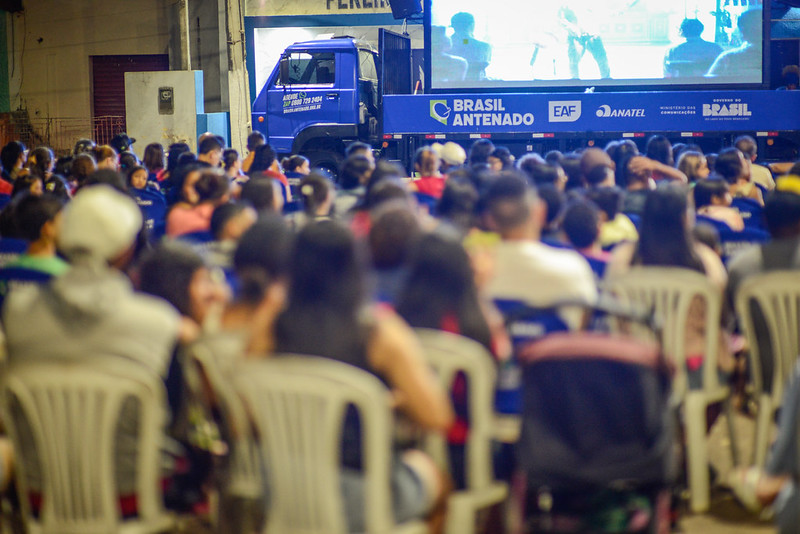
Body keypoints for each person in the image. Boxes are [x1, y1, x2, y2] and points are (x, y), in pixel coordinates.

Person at [274, 220, 453, 534]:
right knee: (437, 479)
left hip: (280, 488)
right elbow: (436, 416)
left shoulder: (273, 327)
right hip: (363, 494)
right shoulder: (377, 332)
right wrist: (387, 402)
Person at [605, 184, 734, 381]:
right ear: (685, 218)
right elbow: (723, 315)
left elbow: (612, 312)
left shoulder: (621, 258)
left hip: (636, 368)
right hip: (697, 368)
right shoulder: (706, 260)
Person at [707, 8, 763, 78]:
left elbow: (708, 82)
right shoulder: (727, 58)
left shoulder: (728, 58)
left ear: (742, 31)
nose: (757, 29)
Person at [449, 12, 492, 81]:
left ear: (453, 26)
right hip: (475, 84)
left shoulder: (443, 46)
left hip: (450, 85)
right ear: (472, 25)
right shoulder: (484, 46)